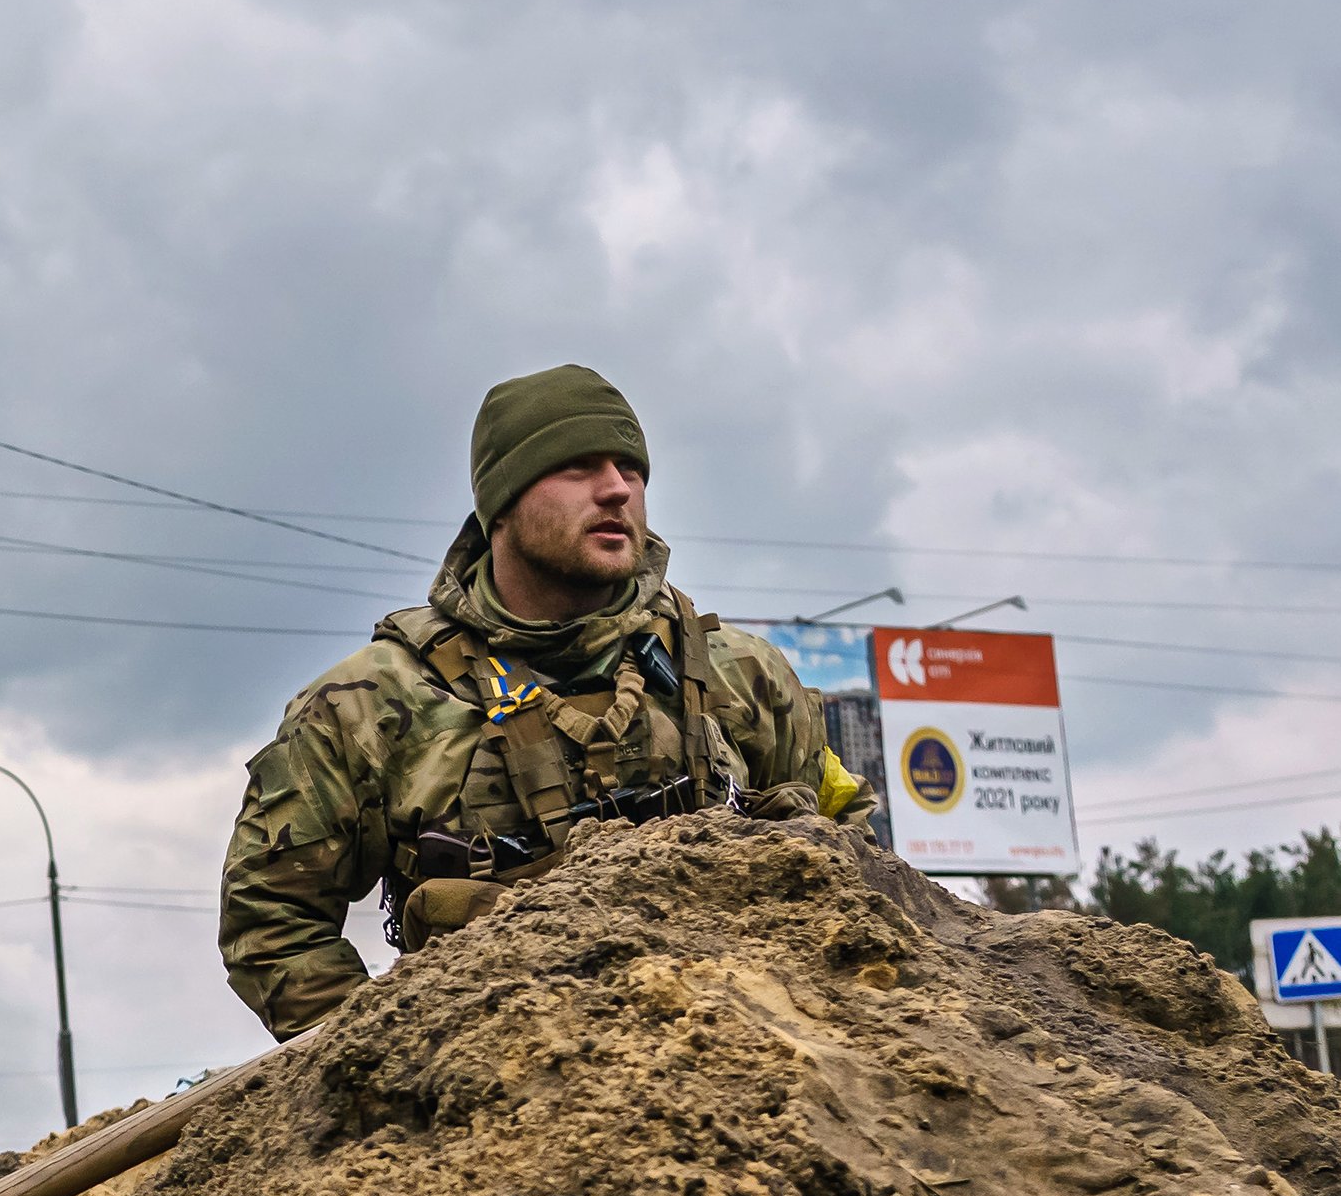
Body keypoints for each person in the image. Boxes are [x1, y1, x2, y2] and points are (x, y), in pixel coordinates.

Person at [219, 364, 866, 1037]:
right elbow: (270, 917)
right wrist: (388, 1059)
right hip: (501, 1091)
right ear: (502, 502)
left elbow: (844, 830)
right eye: (577, 466)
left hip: (742, 1062)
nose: (616, 488)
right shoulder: (368, 706)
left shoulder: (738, 672)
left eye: (630, 468)